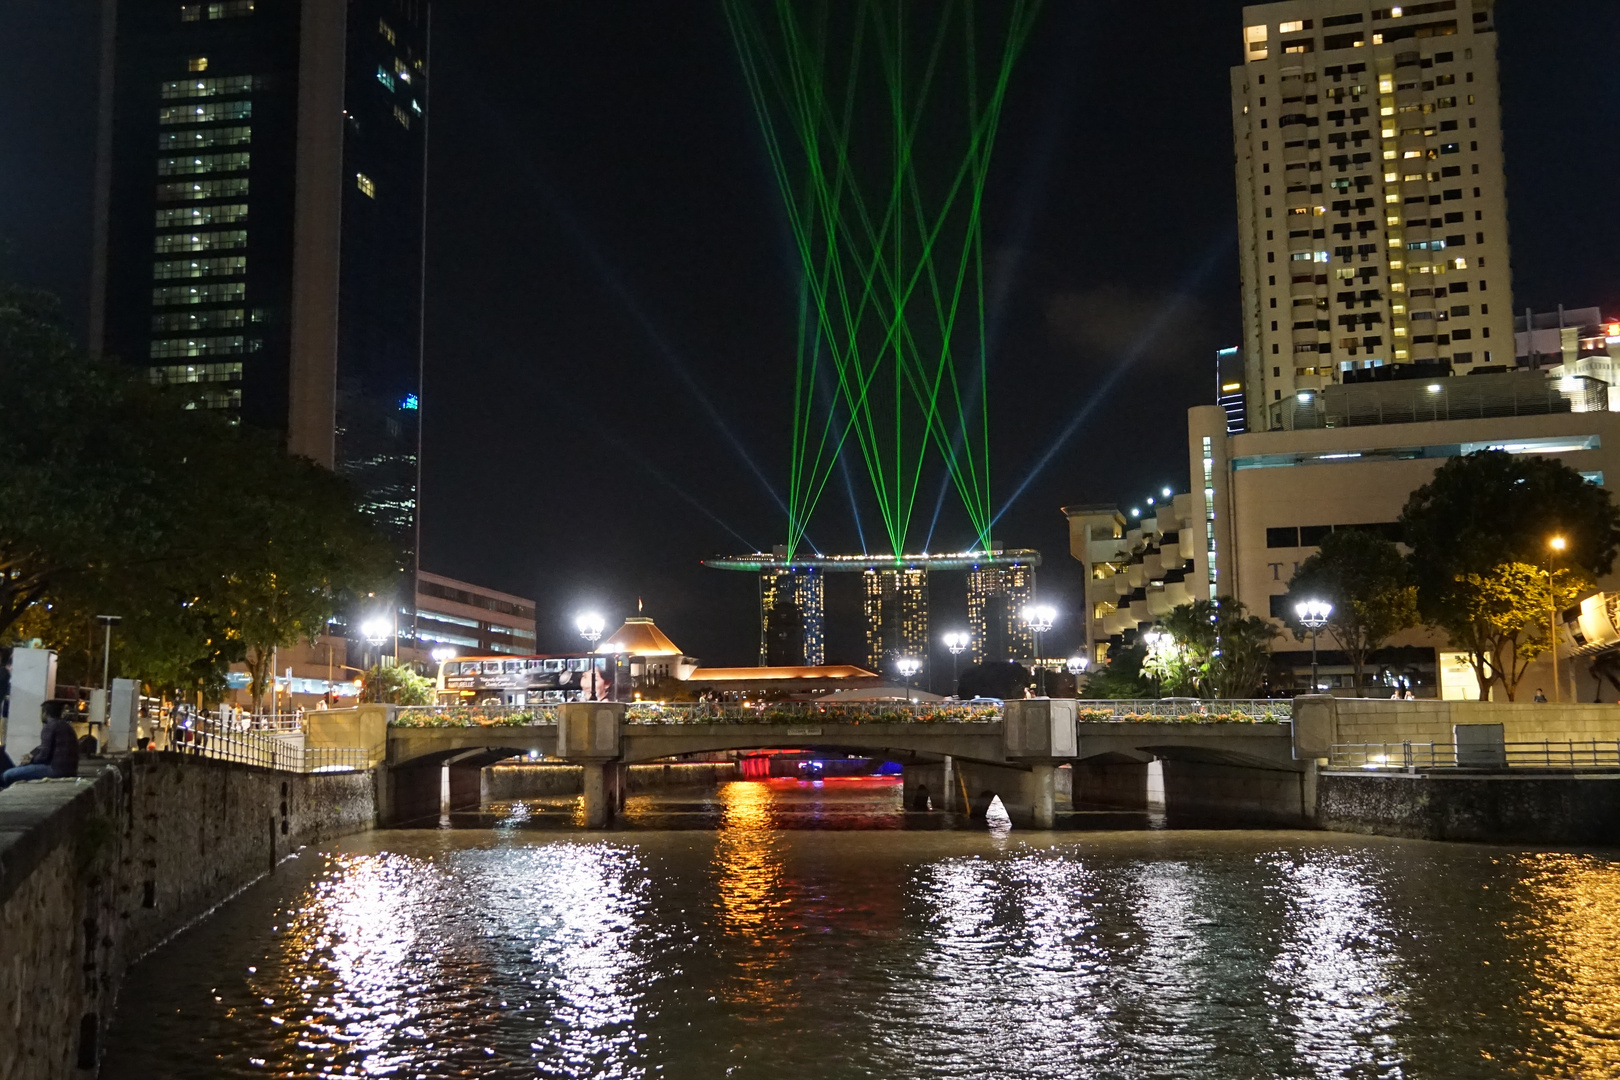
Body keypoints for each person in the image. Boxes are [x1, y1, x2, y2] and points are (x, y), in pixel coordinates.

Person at [1, 701, 81, 788]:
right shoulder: (66, 726)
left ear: (45, 712)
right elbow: (45, 748)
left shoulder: (49, 726)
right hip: (70, 771)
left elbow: (44, 755)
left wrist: (30, 761)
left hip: (55, 771)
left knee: (7, 775)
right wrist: (33, 755)